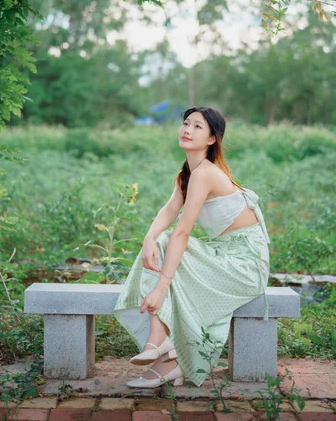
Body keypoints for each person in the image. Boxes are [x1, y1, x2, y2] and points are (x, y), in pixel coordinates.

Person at [113, 106, 271, 388]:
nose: (187, 129)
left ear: (212, 139)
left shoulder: (205, 174)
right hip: (223, 254)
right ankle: (165, 353)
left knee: (169, 252)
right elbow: (169, 211)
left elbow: (183, 231)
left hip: (245, 264)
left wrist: (160, 288)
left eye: (198, 126)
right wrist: (148, 237)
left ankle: (160, 345)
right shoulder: (189, 172)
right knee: (161, 242)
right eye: (186, 123)